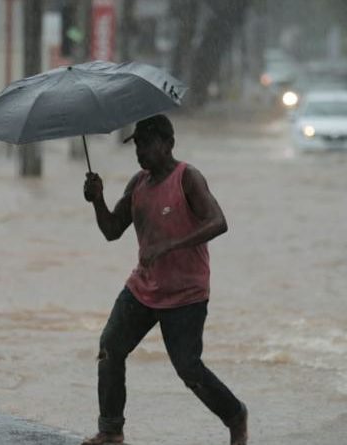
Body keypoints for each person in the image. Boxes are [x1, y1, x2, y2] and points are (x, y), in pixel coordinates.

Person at [81, 114, 248, 445]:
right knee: (110, 347)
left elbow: (219, 221)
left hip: (186, 293)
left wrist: (170, 244)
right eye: (137, 144)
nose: (140, 151)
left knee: (188, 369)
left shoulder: (188, 178)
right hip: (143, 288)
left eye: (146, 143)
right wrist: (97, 199)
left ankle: (235, 415)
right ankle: (111, 430)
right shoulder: (138, 184)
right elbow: (112, 230)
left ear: (168, 144)